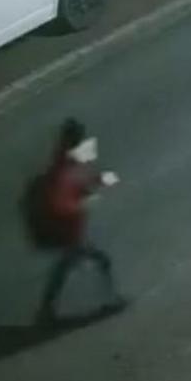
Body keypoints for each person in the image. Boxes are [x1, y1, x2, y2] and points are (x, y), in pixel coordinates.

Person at [35, 119, 126, 323]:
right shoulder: (65, 164)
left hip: (69, 230)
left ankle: (46, 311)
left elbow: (76, 184)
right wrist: (83, 201)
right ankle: (110, 300)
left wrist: (95, 182)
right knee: (99, 261)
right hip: (69, 230)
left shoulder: (64, 159)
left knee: (64, 268)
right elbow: (64, 198)